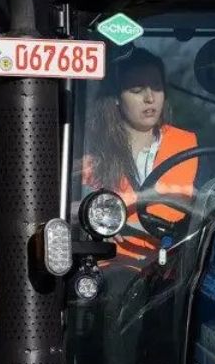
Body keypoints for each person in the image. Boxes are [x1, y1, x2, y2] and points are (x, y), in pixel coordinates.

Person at [81, 47, 200, 264]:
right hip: (112, 267)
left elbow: (214, 204)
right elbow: (67, 207)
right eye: (136, 90)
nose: (150, 98)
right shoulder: (92, 155)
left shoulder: (191, 147)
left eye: (157, 87)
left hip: (176, 268)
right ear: (115, 98)